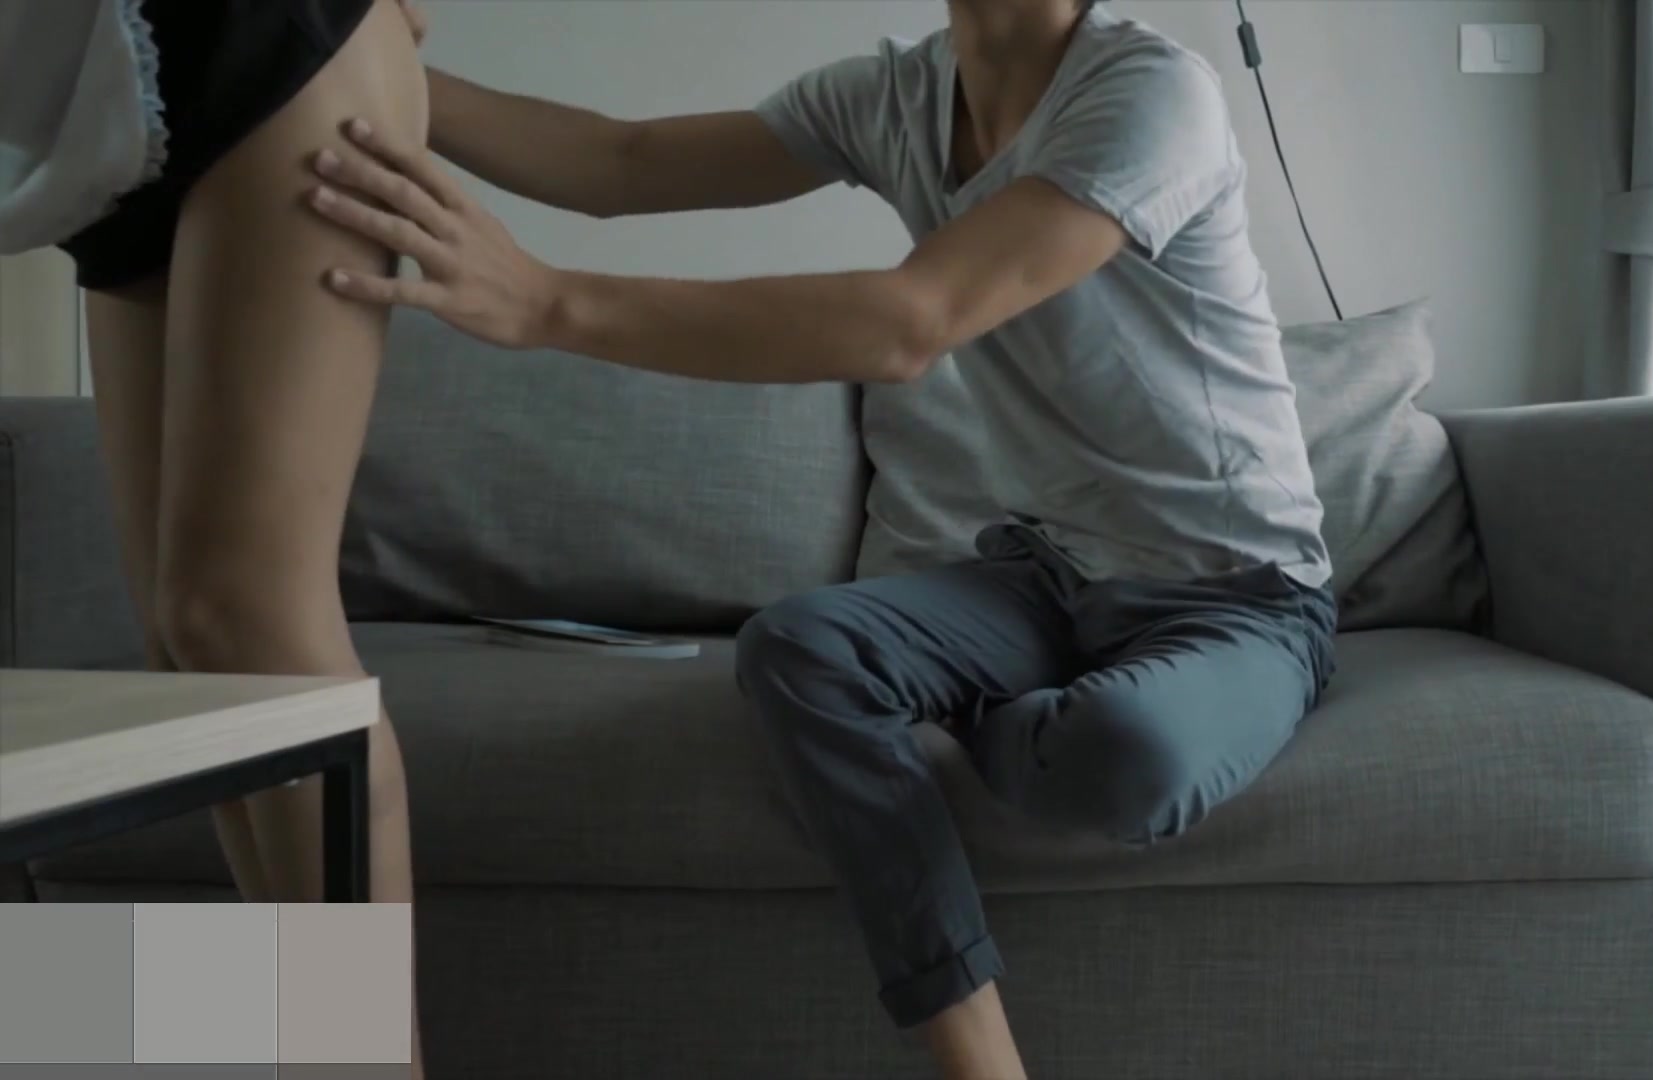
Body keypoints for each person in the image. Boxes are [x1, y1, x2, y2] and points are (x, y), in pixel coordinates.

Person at [310, 0, 1336, 1076]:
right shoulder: (894, 96)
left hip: (1241, 595)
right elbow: (619, 162)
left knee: (1124, 756)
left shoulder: (1151, 94)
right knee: (800, 647)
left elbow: (911, 322)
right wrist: (359, 61)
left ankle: (986, 707)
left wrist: (550, 303)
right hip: (1049, 577)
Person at [0, 1, 433, 1073]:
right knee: (191, 654)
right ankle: (307, 1054)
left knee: (246, 620)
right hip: (91, 78)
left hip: (256, 33)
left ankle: (375, 1064)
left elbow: (622, 165)